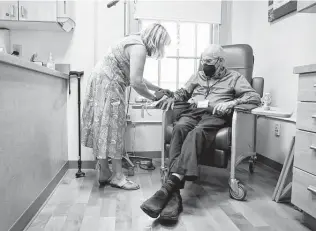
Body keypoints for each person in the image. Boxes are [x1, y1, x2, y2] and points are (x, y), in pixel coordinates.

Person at [140, 44, 262, 220]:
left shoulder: (235, 77)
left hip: (214, 114)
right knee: (180, 127)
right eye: (203, 61)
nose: (205, 65)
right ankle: (173, 189)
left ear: (221, 62)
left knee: (196, 133)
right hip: (193, 111)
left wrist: (230, 103)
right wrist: (171, 97)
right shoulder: (198, 75)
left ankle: (169, 187)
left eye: (209, 61)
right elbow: (183, 92)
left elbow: (254, 97)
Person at [81, 23, 172, 190]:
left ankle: (104, 171)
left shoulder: (133, 41)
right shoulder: (140, 48)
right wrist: (154, 99)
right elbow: (136, 82)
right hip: (110, 84)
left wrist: (157, 89)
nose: (162, 49)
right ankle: (118, 177)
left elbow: (137, 78)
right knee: (115, 129)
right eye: (162, 45)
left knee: (102, 127)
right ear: (156, 40)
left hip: (100, 81)